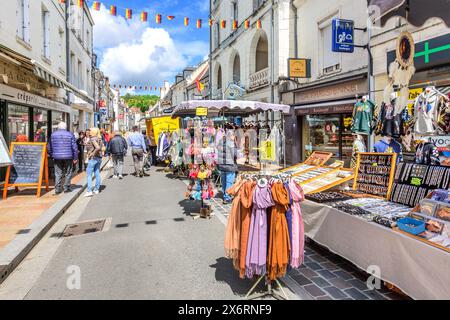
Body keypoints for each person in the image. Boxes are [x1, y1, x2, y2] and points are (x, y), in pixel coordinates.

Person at [47, 122, 78, 194]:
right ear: (66, 127)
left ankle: (57, 189)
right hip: (68, 156)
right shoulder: (70, 134)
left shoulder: (53, 135)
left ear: (58, 127)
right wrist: (75, 157)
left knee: (58, 173)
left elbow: (49, 147)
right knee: (68, 172)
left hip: (57, 157)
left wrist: (52, 154)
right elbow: (74, 147)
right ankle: (66, 188)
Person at [217, 129, 238, 204]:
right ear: (231, 135)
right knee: (229, 181)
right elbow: (235, 154)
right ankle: (227, 197)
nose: (234, 137)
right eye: (233, 135)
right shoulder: (231, 143)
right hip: (229, 165)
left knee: (223, 181)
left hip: (222, 165)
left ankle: (224, 194)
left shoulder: (221, 142)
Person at [84, 128, 104, 197]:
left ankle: (89, 191)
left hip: (93, 158)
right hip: (99, 158)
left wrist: (92, 153)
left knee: (89, 174)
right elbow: (101, 148)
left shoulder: (93, 139)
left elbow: (97, 147)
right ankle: (96, 189)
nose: (89, 132)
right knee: (97, 173)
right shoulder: (99, 139)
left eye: (91, 131)